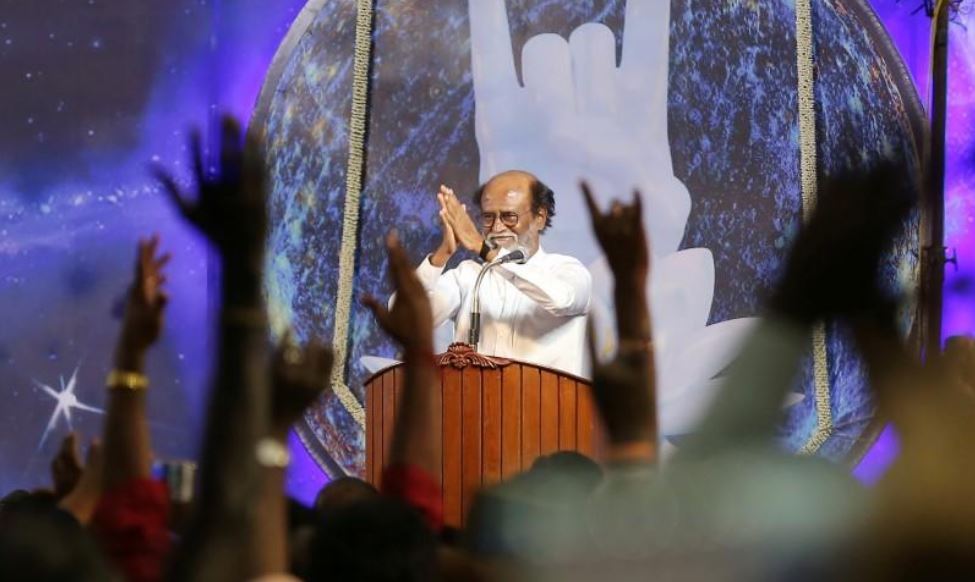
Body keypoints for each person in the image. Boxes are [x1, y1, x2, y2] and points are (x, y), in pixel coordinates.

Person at [412, 170, 592, 376]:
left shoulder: (567, 270)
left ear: (540, 217)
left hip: (545, 406)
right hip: (471, 405)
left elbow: (562, 300)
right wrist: (442, 255)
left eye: (509, 216)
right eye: (488, 217)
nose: (497, 227)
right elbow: (407, 322)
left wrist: (483, 247)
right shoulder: (469, 276)